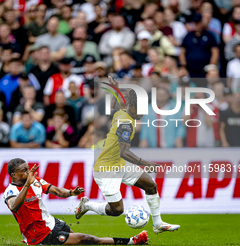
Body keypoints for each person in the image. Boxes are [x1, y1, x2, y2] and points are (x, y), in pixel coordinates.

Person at [75, 77, 180, 235]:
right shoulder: (126, 123)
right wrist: (145, 163)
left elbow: (113, 108)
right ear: (132, 106)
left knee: (150, 185)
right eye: (140, 109)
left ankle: (157, 224)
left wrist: (115, 91)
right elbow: (124, 151)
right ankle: (87, 206)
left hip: (119, 163)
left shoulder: (122, 113)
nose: (142, 113)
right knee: (116, 210)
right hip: (106, 169)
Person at [3, 158, 148, 245]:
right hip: (39, 234)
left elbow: (58, 191)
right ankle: (132, 241)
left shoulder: (36, 182)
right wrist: (27, 184)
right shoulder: (10, 191)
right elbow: (14, 207)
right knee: (86, 239)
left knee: (78, 242)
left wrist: (72, 192)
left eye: (28, 169)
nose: (29, 172)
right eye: (24, 170)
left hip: (52, 223)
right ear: (14, 174)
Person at [179, 13, 219, 78]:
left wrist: (211, 66)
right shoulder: (188, 36)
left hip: (205, 70)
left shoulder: (209, 35)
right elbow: (182, 51)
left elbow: (215, 52)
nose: (196, 24)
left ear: (201, 22)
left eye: (198, 22)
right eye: (195, 22)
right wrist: (183, 66)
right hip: (190, 70)